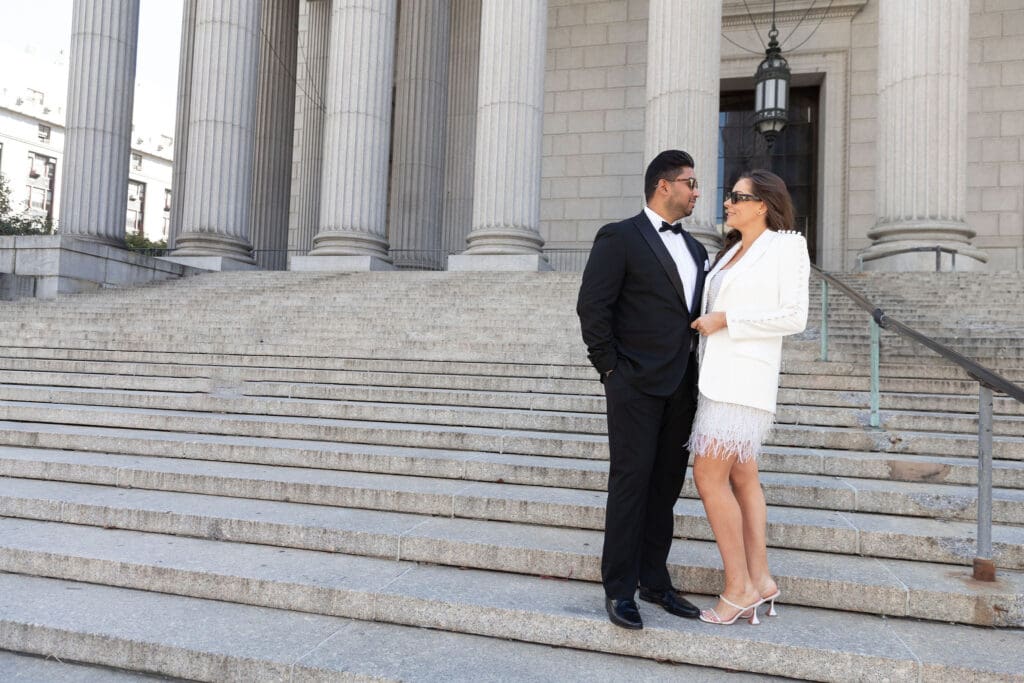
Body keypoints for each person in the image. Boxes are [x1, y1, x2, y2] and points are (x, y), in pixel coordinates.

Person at [577, 150, 710, 630]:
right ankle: (619, 588)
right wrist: (611, 369)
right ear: (663, 186)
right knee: (631, 483)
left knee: (665, 488)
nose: (697, 193)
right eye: (690, 183)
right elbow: (593, 306)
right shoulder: (620, 237)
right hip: (633, 383)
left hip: (682, 386)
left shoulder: (696, 251)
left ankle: (654, 581)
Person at [687, 170, 810, 625]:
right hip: (713, 377)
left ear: (763, 204)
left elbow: (794, 316)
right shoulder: (729, 253)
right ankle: (760, 580)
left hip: (743, 382)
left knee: (708, 477)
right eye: (729, 196)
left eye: (738, 197)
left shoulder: (786, 246)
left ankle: (737, 587)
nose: (727, 203)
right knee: (743, 477)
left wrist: (727, 319)